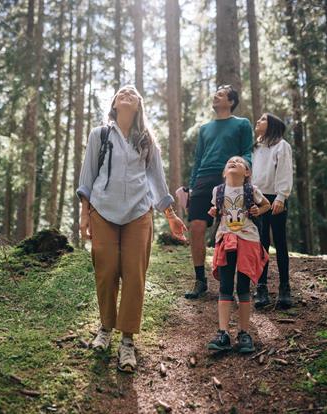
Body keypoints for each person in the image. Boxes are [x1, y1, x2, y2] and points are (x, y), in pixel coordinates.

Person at [76, 85, 187, 373]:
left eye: (132, 93)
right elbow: (87, 177)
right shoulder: (99, 135)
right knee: (106, 271)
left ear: (138, 106)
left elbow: (157, 180)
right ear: (114, 103)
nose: (126, 93)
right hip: (102, 212)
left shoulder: (147, 140)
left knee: (135, 276)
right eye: (121, 92)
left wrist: (171, 215)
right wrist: (84, 216)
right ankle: (105, 328)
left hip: (139, 214)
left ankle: (127, 341)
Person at [185, 85, 254, 299]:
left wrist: (242, 172)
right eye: (216, 93)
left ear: (231, 102)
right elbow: (197, 159)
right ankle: (200, 280)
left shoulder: (242, 124)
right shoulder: (205, 128)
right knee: (196, 227)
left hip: (229, 179)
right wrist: (192, 185)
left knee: (231, 231)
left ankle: (231, 285)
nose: (216, 95)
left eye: (222, 94)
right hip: (203, 180)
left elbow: (248, 152)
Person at [207, 156, 270, 353]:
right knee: (225, 285)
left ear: (247, 173)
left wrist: (257, 211)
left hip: (248, 239)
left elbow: (266, 204)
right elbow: (218, 210)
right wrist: (214, 211)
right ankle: (223, 333)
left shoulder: (252, 190)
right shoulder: (217, 191)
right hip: (226, 239)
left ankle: (244, 333)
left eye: (239, 162)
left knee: (243, 286)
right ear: (224, 173)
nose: (233, 162)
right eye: (229, 162)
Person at [252, 113, 293, 309]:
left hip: (275, 198)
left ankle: (285, 288)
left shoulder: (281, 145)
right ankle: (261, 288)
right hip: (258, 199)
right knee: (261, 244)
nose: (258, 122)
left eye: (262, 120)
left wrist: (281, 196)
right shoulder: (256, 148)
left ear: (272, 125)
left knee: (280, 241)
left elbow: (284, 171)